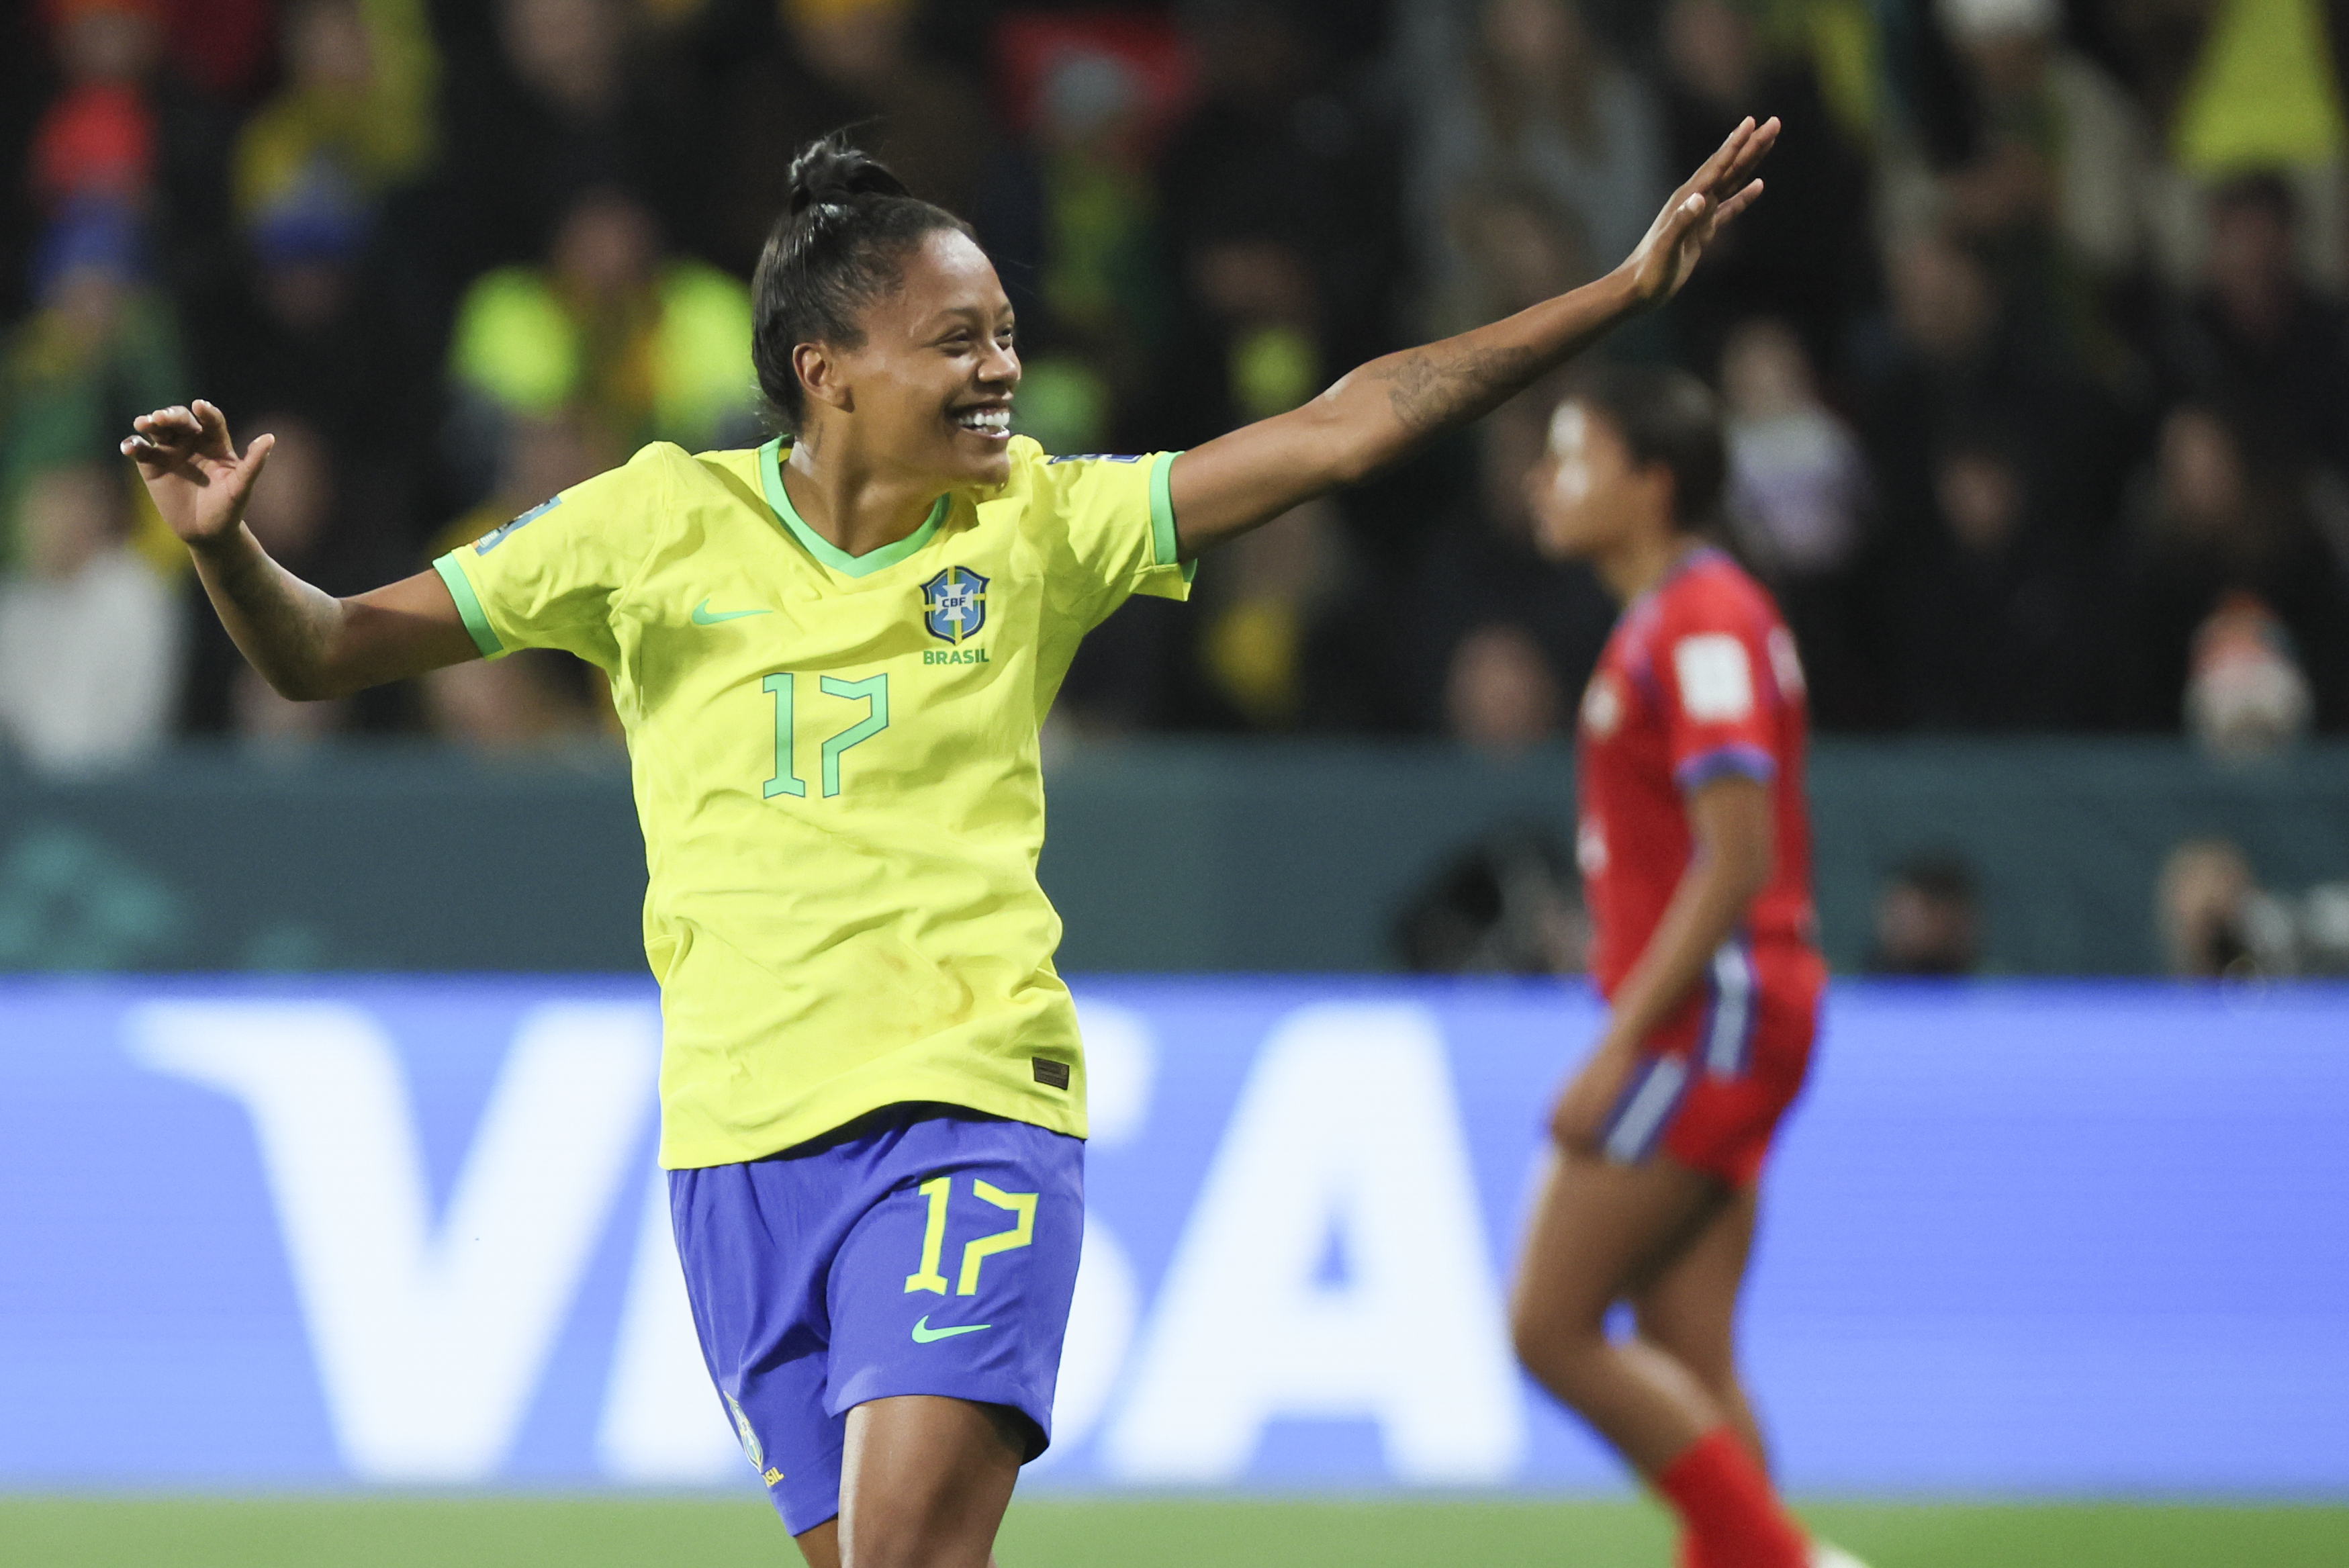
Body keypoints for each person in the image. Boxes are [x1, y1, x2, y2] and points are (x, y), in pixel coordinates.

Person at [122, 120, 1778, 1567]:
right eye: (958, 340)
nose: (1002, 371)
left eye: (1007, 336)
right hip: (737, 1152)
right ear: (825, 371)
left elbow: (1341, 428)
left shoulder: (1039, 522)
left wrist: (1615, 294)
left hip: (963, 1108)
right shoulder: (647, 524)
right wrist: (226, 553)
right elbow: (320, 651)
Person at [1514, 366, 1855, 1568]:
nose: (1544, 482)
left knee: (1548, 1326)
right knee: (1687, 1350)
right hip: (1728, 1015)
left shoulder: (1699, 620)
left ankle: (1788, 1561)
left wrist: (1612, 1050)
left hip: (1712, 1020)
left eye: (1574, 456)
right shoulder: (1680, 613)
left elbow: (1737, 854)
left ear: (1652, 484)